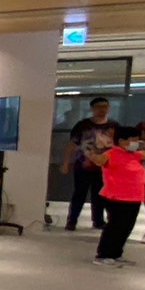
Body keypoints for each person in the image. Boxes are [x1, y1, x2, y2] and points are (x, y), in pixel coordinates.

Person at [84, 125, 145, 267]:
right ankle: (103, 254)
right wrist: (91, 150)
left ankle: (116, 253)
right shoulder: (111, 154)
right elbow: (98, 160)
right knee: (115, 226)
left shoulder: (135, 155)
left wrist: (144, 145)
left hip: (134, 197)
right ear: (121, 140)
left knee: (127, 227)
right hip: (117, 197)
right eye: (132, 140)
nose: (135, 143)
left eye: (137, 140)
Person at [60, 96, 112, 231]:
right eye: (99, 107)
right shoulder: (83, 125)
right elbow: (72, 144)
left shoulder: (113, 126)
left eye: (105, 107)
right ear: (92, 109)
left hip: (104, 167)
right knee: (79, 194)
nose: (102, 110)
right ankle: (72, 220)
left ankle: (98, 220)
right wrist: (66, 162)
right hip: (83, 165)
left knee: (100, 195)